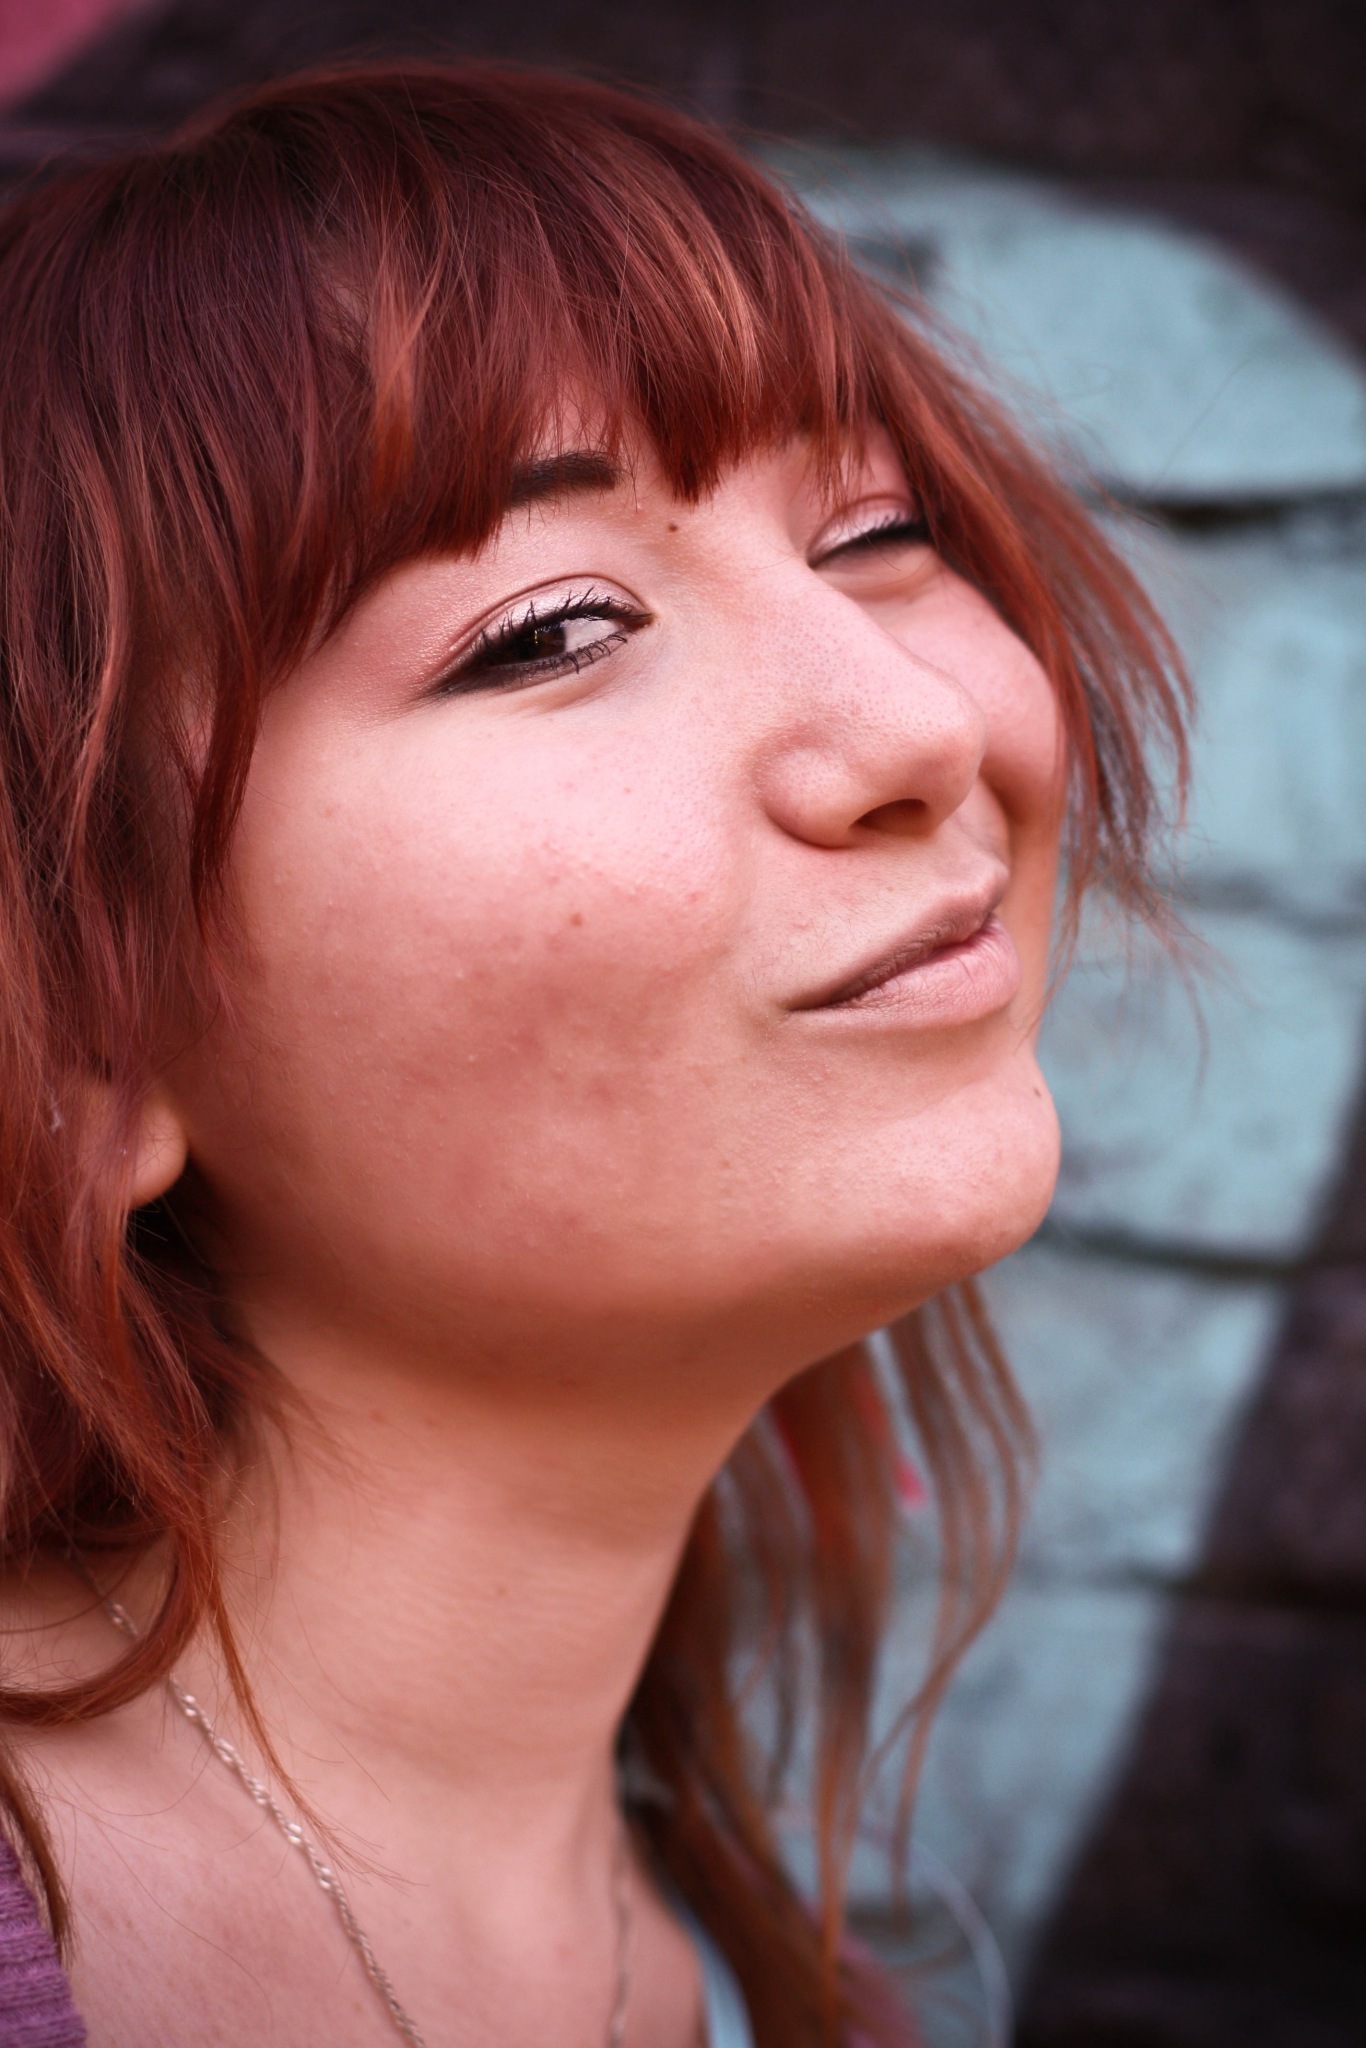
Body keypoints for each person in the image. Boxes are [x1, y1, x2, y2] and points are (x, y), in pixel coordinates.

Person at [0, 61, 1185, 2048]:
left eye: (875, 531)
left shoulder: (792, 2000)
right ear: (85, 1040)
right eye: (551, 631)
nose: (910, 726)